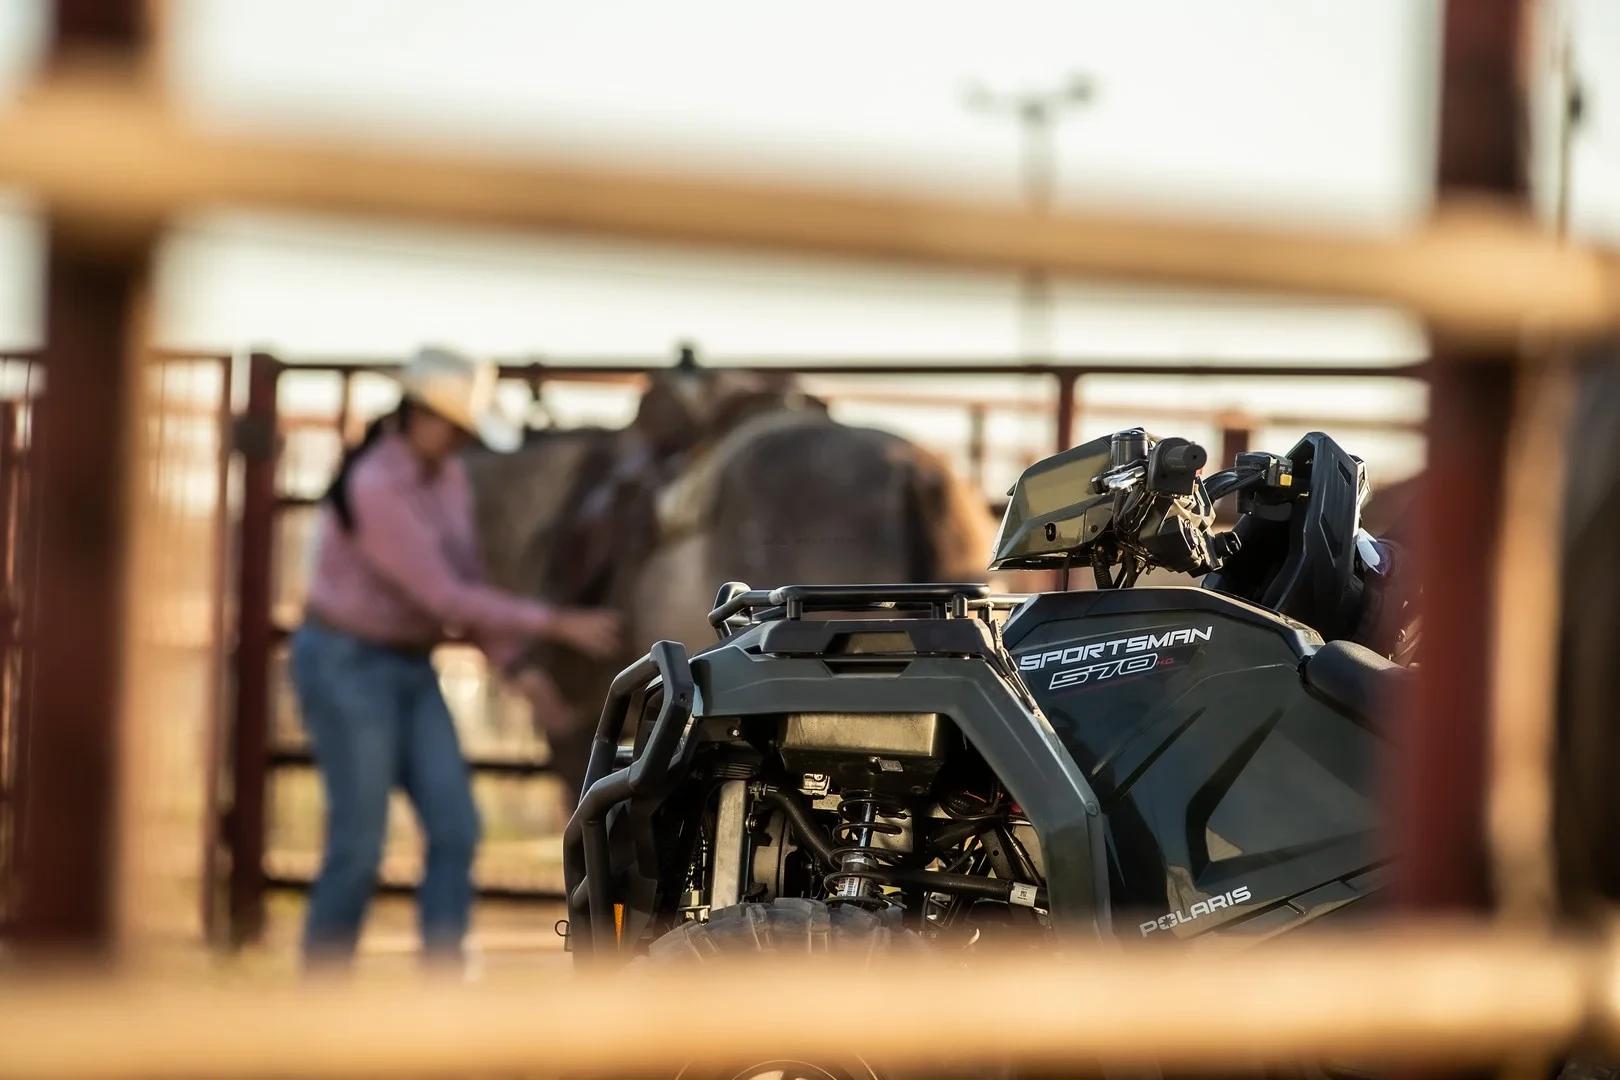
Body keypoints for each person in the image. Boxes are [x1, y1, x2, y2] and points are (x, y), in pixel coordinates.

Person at [290, 345, 620, 973]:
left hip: (406, 664)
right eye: (457, 426)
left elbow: (465, 589)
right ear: (420, 416)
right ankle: (323, 984)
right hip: (346, 663)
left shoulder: (445, 480)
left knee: (455, 826)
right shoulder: (376, 486)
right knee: (359, 841)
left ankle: (444, 979)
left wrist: (522, 671)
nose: (463, 441)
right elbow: (444, 596)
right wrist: (556, 623)